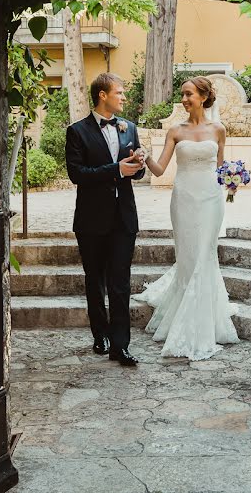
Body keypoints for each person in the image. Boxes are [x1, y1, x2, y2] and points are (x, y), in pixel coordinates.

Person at [132, 76, 240, 360]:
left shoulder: (219, 129)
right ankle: (186, 313)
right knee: (189, 257)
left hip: (211, 199)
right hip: (183, 199)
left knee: (205, 255)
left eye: (189, 94)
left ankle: (203, 321)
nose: (184, 99)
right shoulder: (175, 131)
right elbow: (159, 169)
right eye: (182, 94)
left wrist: (231, 181)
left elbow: (220, 168)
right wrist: (143, 157)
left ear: (203, 97)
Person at [65, 73, 146, 366]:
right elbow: (77, 175)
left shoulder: (129, 128)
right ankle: (100, 334)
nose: (123, 97)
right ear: (102, 95)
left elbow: (136, 172)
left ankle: (120, 346)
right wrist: (116, 170)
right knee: (95, 280)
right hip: (91, 220)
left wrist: (137, 166)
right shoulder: (77, 131)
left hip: (124, 218)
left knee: (120, 283)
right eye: (119, 92)